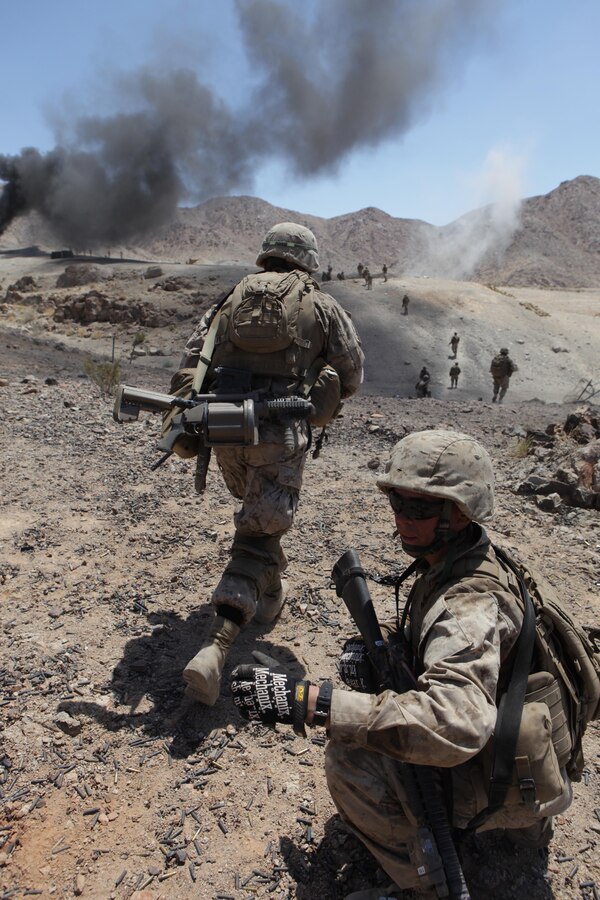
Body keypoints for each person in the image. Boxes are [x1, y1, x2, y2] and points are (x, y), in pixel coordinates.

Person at [229, 430, 573, 898]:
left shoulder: (470, 603)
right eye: (398, 503)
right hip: (532, 749)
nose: (404, 521)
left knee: (349, 755)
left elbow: (458, 725)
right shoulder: (474, 556)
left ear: (461, 512)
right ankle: (523, 825)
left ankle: (424, 883)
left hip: (502, 765)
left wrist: (312, 702)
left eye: (421, 508)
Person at [164, 222, 364, 705]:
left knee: (259, 522)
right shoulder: (320, 304)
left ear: (267, 255)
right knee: (257, 535)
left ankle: (269, 593)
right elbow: (353, 372)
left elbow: (194, 357)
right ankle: (216, 647)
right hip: (280, 432)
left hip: (226, 430)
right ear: (308, 259)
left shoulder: (230, 298)